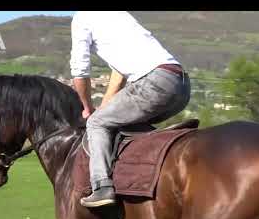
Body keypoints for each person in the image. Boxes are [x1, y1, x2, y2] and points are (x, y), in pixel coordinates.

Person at [70, 11, 191, 208]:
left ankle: (101, 187)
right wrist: (104, 107)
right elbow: (119, 73)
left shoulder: (82, 18)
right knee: (118, 123)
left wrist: (87, 108)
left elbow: (80, 71)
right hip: (181, 84)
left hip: (154, 82)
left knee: (96, 122)